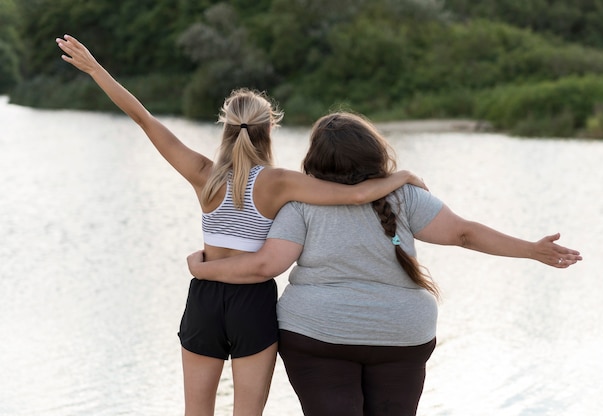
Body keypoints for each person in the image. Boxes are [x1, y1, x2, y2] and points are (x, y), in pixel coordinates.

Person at [55, 35, 427, 416]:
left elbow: (143, 119)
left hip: (204, 298)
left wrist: (95, 68)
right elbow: (353, 195)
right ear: (270, 129)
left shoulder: (204, 175)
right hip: (252, 303)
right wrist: (399, 178)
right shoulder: (279, 183)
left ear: (226, 129)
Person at [187, 111, 583, 416]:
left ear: (314, 158)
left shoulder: (299, 202)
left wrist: (203, 269)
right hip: (401, 337)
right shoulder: (405, 196)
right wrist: (531, 249)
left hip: (319, 336)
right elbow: (464, 233)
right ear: (374, 150)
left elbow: (264, 266)